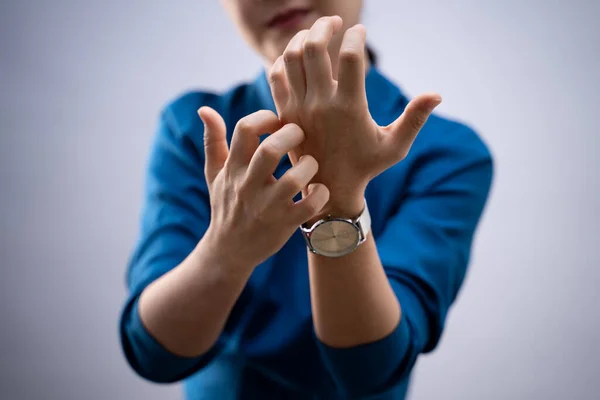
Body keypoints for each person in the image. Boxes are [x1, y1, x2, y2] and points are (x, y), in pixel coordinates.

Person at [119, 1, 494, 399]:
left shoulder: (447, 154)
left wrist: (337, 200)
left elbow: (373, 367)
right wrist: (227, 248)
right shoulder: (197, 131)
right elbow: (153, 353)